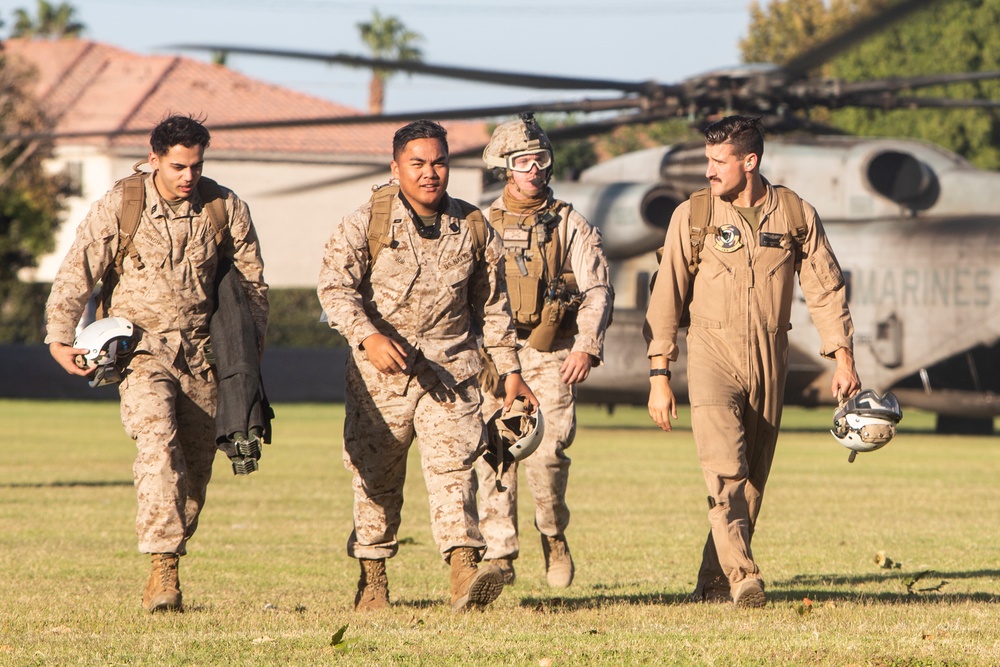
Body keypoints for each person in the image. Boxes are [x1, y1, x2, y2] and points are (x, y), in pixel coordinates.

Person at [45, 115, 269, 613]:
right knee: (157, 445)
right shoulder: (122, 205)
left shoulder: (225, 207)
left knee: (194, 472)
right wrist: (59, 337)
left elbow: (252, 289)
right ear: (153, 160)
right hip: (142, 352)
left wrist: (247, 366)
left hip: (205, 356)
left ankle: (168, 559)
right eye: (177, 166)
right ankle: (163, 569)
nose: (188, 176)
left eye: (196, 165)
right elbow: (77, 268)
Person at [317, 119, 538, 612]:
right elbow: (334, 288)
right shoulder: (367, 222)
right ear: (396, 168)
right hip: (381, 375)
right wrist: (367, 336)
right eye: (417, 163)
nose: (430, 172)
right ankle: (373, 577)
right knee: (375, 478)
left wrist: (510, 372)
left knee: (454, 469)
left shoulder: (475, 226)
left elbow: (494, 307)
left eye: (439, 162)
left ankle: (464, 572)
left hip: (452, 373)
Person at [644, 115, 861, 608]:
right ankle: (743, 575)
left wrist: (842, 357)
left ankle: (714, 581)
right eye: (707, 159)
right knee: (725, 468)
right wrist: (660, 374)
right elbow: (666, 298)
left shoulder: (796, 214)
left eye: (718, 161)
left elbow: (825, 288)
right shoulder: (693, 216)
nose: (708, 171)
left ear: (750, 161)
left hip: (770, 353)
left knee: (754, 477)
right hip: (710, 352)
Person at [474, 113, 612, 588]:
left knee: (547, 453)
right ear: (504, 167)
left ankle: (553, 535)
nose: (533, 169)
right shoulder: (480, 223)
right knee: (494, 450)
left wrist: (587, 346)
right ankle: (499, 556)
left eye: (540, 159)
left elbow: (597, 289)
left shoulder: (571, 222)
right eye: (522, 161)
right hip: (493, 354)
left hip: (552, 351)